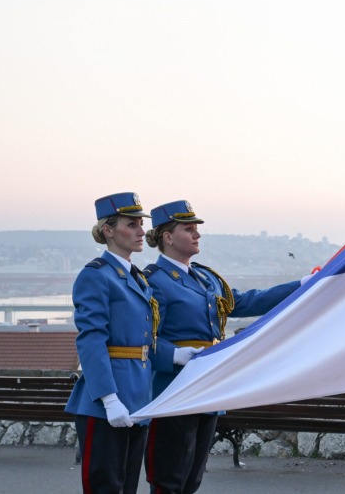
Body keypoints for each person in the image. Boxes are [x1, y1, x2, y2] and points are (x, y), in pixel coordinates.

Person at [142, 200, 311, 494]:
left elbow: (246, 302)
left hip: (208, 388)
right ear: (167, 237)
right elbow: (144, 339)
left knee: (192, 477)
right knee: (169, 478)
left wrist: (302, 285)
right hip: (174, 389)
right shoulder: (154, 281)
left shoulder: (206, 278)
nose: (197, 235)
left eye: (197, 229)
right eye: (188, 229)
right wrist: (176, 355)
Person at [65, 192, 158, 494]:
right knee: (106, 487)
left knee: (127, 487)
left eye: (141, 224)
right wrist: (109, 398)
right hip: (107, 400)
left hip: (138, 395)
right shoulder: (96, 276)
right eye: (131, 224)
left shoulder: (136, 276)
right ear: (108, 230)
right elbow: (91, 339)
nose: (142, 231)